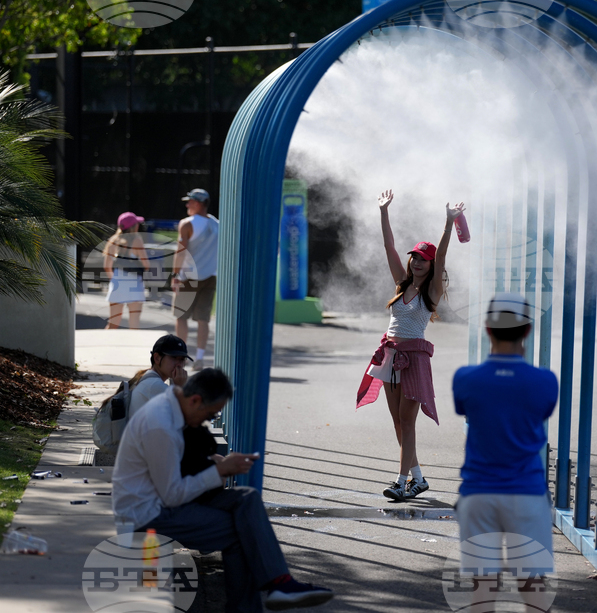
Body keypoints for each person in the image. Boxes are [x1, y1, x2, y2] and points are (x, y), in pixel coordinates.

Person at [112, 369, 333, 612]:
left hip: (161, 500)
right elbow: (171, 495)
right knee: (241, 532)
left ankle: (281, 585)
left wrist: (218, 465)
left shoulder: (175, 407)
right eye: (210, 413)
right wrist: (218, 471)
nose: (208, 420)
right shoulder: (160, 425)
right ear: (195, 400)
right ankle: (260, 600)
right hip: (145, 514)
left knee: (247, 499)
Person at [451, 292, 559, 610]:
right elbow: (542, 411)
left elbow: (464, 409)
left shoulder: (465, 379)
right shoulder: (545, 382)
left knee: (481, 590)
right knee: (534, 588)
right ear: (527, 331)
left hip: (478, 493)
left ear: (487, 329)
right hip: (527, 493)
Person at [356, 189, 464, 501]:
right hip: (389, 355)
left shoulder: (431, 293)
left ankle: (402, 481)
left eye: (423, 260)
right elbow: (389, 246)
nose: (417, 262)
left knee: (408, 421)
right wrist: (383, 212)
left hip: (414, 359)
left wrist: (448, 223)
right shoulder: (401, 284)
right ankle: (418, 478)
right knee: (397, 421)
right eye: (415, 257)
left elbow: (442, 255)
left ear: (431, 266)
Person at [172, 188, 220, 372]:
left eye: (190, 201)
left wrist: (175, 274)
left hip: (188, 277)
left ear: (199, 203)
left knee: (181, 317)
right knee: (203, 319)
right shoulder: (217, 224)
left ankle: (181, 358)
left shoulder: (187, 223)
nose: (187, 205)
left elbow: (180, 251)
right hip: (210, 276)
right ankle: (199, 358)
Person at [128, 334, 191, 419]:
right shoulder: (154, 385)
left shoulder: (149, 378)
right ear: (157, 358)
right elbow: (182, 417)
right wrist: (180, 387)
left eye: (182, 359)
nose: (179, 364)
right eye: (174, 358)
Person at [104, 212, 149, 329]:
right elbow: (146, 264)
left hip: (117, 284)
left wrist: (114, 279)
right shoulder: (137, 240)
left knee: (113, 324)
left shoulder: (113, 241)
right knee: (134, 324)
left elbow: (107, 266)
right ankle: (133, 347)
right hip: (135, 285)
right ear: (134, 227)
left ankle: (103, 346)